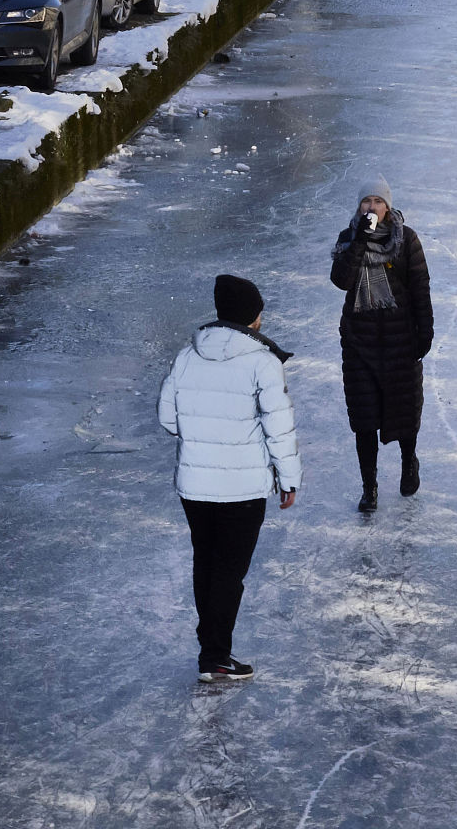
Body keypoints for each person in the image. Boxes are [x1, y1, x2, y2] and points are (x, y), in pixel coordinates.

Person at [157, 273, 301, 683]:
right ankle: (216, 656)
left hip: (195, 487)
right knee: (228, 572)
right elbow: (279, 427)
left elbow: (168, 417)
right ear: (254, 317)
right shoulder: (263, 361)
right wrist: (288, 479)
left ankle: (212, 650)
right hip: (242, 489)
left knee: (207, 563)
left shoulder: (189, 354)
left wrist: (203, 436)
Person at [329, 180, 433, 511]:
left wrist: (425, 331)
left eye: (377, 201)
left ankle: (408, 462)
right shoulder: (348, 238)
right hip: (360, 342)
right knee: (363, 418)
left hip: (400, 339)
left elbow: (420, 287)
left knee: (404, 410)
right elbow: (341, 281)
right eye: (365, 201)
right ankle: (369, 486)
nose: (371, 207)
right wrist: (359, 240)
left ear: (388, 207)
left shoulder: (406, 240)